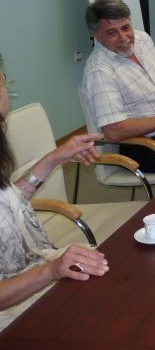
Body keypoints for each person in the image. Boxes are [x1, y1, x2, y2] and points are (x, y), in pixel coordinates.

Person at [0, 69, 109, 331]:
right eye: (3, 83)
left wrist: (53, 158)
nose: (7, 93)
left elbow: (8, 203)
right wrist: (51, 271)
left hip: (32, 272)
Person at [81, 0, 155, 174]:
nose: (123, 38)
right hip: (145, 146)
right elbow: (114, 131)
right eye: (112, 32)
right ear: (96, 34)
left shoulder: (142, 40)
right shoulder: (100, 71)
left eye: (126, 28)